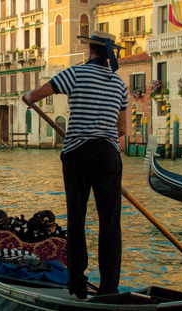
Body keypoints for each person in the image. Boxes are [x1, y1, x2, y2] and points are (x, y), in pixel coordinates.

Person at [22, 30, 127, 298]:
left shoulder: (76, 74)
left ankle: (78, 286)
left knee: (77, 219)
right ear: (108, 53)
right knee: (110, 223)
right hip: (108, 155)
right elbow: (122, 129)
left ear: (90, 51)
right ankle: (109, 290)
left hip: (78, 153)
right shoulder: (119, 84)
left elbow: (40, 93)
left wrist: (29, 97)